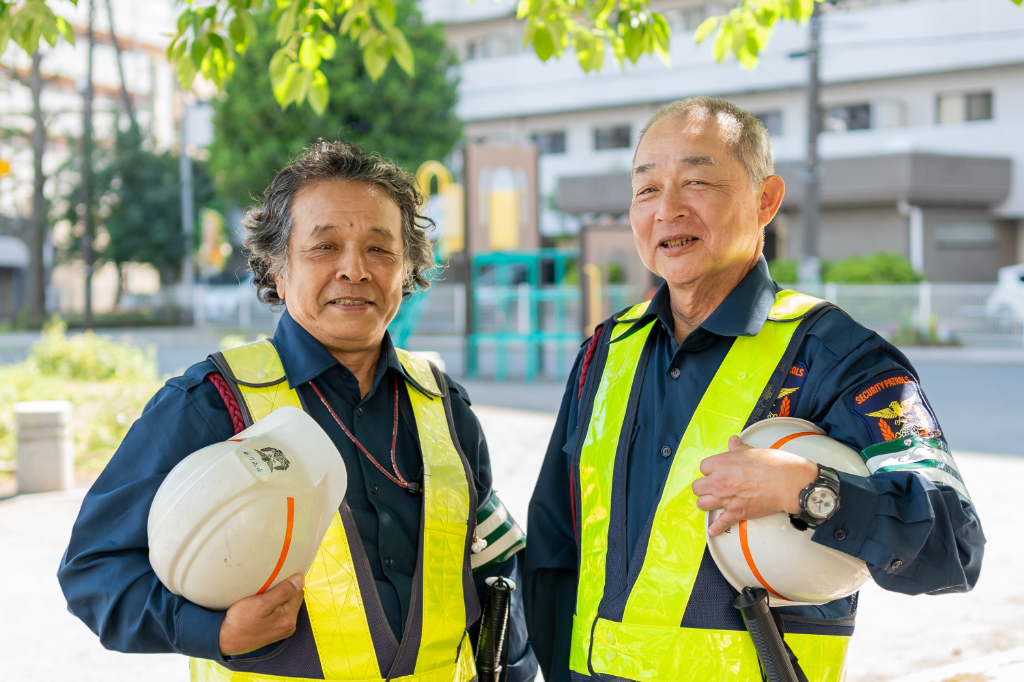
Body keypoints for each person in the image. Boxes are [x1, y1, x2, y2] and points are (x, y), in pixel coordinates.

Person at [523, 97, 984, 682]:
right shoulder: (604, 353)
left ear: (766, 200)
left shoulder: (837, 357)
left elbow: (955, 545)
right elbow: (553, 552)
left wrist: (811, 492)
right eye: (646, 190)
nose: (667, 210)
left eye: (697, 181)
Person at [58, 141, 537, 682]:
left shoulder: (445, 407)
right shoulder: (211, 403)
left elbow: (495, 570)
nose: (354, 269)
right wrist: (211, 633)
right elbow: (93, 571)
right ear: (277, 269)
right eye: (324, 247)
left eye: (380, 249)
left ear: (406, 269)